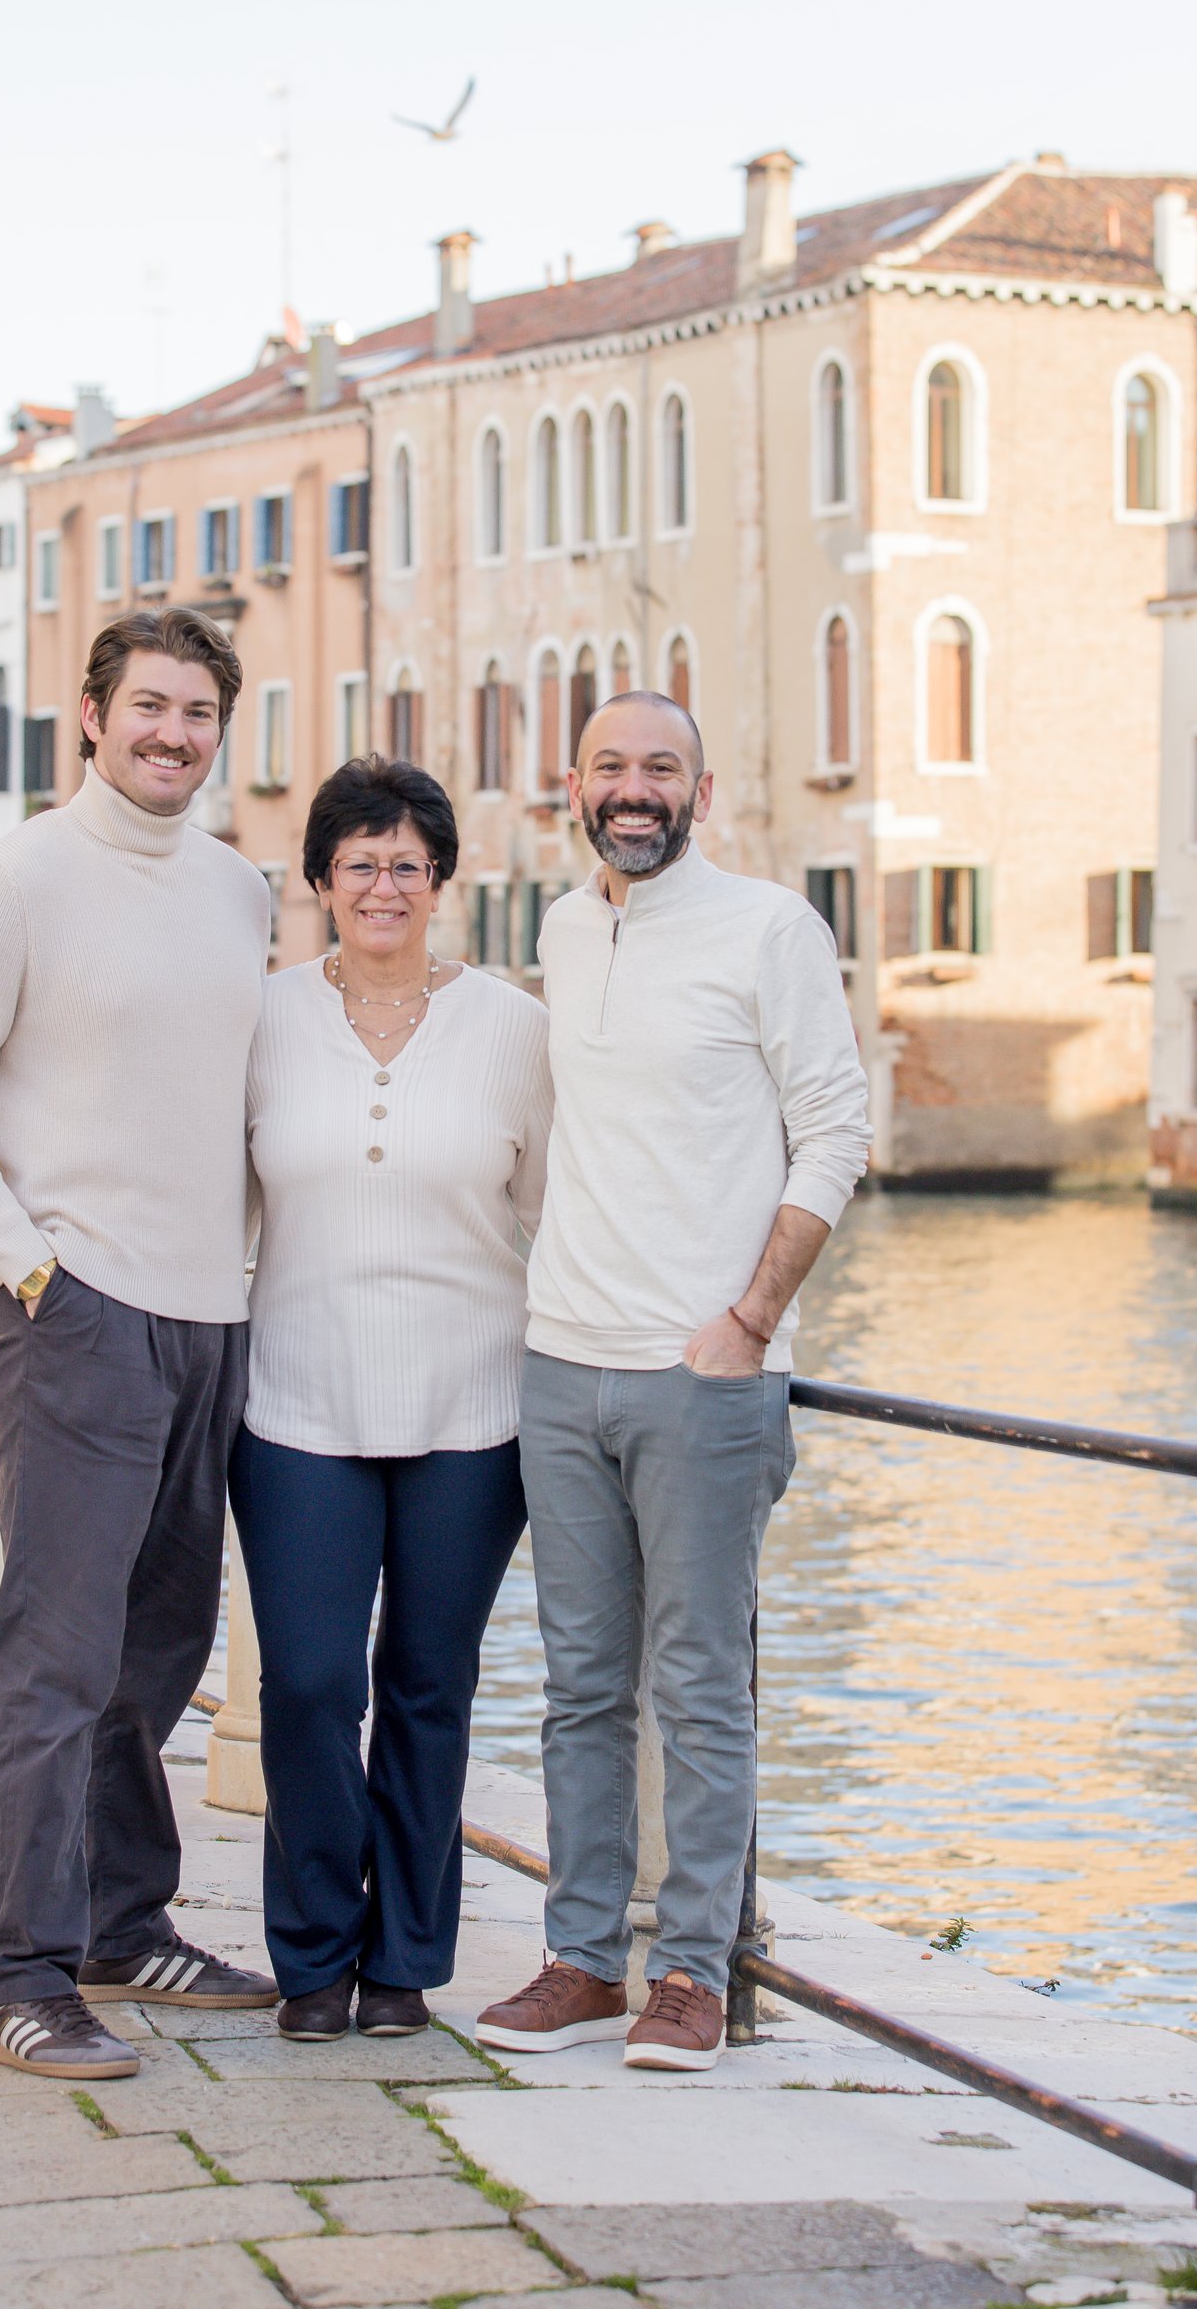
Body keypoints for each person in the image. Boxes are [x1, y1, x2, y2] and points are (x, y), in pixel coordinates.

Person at [0, 607, 278, 2082]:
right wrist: (31, 1268)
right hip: (79, 1315)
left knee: (160, 1651)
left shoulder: (240, 891)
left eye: (199, 713)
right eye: (150, 707)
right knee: (53, 1662)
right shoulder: (19, 881)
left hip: (214, 1318)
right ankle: (24, 1978)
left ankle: (123, 1925)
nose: (175, 734)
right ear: (95, 720)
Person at [476, 690, 870, 2073]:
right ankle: (584, 1959)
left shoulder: (771, 928)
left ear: (703, 792)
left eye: (661, 768)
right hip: (561, 1364)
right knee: (580, 1687)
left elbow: (836, 1130)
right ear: (572, 786)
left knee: (699, 1688)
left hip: (703, 1376)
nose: (633, 789)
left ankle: (694, 1972)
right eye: (610, 767)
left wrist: (752, 1320)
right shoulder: (563, 929)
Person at [234, 755, 552, 2042]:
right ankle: (314, 1955)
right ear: (321, 879)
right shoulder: (261, 1021)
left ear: (440, 881)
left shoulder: (515, 1031)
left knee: (429, 1686)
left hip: (473, 1411)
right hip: (295, 1404)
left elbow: (557, 1218)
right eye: (358, 863)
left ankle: (405, 1962)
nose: (382, 886)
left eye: (406, 865)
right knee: (309, 1685)